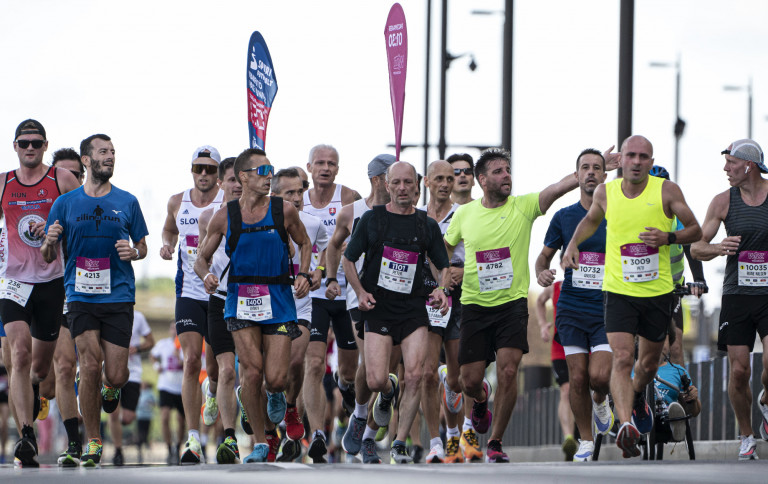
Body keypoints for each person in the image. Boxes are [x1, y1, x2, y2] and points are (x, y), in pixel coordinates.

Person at [562, 135, 702, 459]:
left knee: (649, 363)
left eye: (644, 157)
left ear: (650, 162)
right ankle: (626, 426)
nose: (637, 162)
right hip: (618, 291)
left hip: (657, 293)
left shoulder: (666, 191)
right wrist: (572, 245)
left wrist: (668, 237)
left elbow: (696, 230)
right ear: (621, 160)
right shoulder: (606, 192)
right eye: (632, 156)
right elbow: (590, 221)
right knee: (622, 357)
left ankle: (638, 397)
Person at [444, 148, 586, 463]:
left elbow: (555, 189)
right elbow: (444, 247)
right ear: (482, 180)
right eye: (498, 171)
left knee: (509, 370)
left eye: (508, 170)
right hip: (474, 306)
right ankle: (481, 400)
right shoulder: (464, 214)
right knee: (469, 382)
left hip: (511, 305)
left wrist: (583, 175)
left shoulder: (522, 207)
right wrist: (440, 283)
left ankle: (495, 441)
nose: (506, 175)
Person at [196, 148, 312, 463]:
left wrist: (302, 273)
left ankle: (273, 397)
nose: (268, 176)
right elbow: (201, 259)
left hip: (278, 298)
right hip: (240, 299)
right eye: (262, 171)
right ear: (244, 176)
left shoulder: (284, 211)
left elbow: (304, 243)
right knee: (251, 371)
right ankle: (259, 442)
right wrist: (207, 276)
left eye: (270, 170)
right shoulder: (225, 216)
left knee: (275, 378)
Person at [42, 133, 149, 466]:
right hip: (79, 295)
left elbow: (143, 247)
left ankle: (111, 388)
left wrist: (134, 252)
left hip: (118, 296)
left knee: (116, 374)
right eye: (103, 152)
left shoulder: (128, 201)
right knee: (88, 364)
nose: (110, 156)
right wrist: (49, 241)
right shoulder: (66, 203)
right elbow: (48, 256)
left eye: (113, 152)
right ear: (86, 160)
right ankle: (92, 440)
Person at [343, 161, 450, 464]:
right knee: (376, 380)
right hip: (379, 307)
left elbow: (443, 265)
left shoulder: (425, 224)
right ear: (386, 186)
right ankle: (387, 393)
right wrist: (361, 292)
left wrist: (441, 289)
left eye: (408, 183)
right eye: (397, 183)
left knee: (415, 375)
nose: (403, 188)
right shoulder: (372, 220)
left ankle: (399, 442)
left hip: (414, 308)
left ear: (418, 187)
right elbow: (348, 260)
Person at [1, 119, 80, 466]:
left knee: (41, 369)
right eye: (23, 143)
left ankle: (35, 390)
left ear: (45, 145)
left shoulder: (61, 179)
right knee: (17, 355)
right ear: (15, 146)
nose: (29, 148)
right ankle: (26, 437)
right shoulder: (3, 183)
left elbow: (83, 220)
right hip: (14, 281)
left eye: (35, 143)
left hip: (52, 281)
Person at [536, 148, 617, 462]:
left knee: (599, 377)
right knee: (576, 379)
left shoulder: (616, 214)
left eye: (597, 167)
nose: (592, 172)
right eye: (585, 167)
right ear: (578, 174)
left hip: (607, 308)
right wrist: (541, 272)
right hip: (571, 309)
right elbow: (543, 256)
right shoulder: (563, 216)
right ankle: (585, 440)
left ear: (605, 175)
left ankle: (601, 401)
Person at [690, 139, 768, 460]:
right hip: (737, 296)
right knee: (738, 372)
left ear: (748, 165)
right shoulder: (723, 202)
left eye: (730, 163)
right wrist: (719, 248)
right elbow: (696, 247)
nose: (726, 169)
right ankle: (746, 435)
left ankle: (764, 401)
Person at [326, 154, 393, 464]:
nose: (400, 185)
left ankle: (375, 415)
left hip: (401, 301)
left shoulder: (411, 212)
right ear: (378, 180)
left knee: (390, 374)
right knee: (371, 364)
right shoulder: (352, 212)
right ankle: (363, 423)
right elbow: (334, 246)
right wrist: (330, 279)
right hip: (361, 297)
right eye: (394, 178)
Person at [160, 145, 224, 464]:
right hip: (188, 291)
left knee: (213, 368)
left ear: (218, 173)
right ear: (191, 170)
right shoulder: (177, 201)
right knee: (191, 362)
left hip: (220, 292)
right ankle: (193, 439)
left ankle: (211, 392)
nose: (203, 174)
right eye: (198, 168)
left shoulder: (228, 202)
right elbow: (170, 228)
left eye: (210, 169)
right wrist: (166, 245)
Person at [302, 144, 361, 462]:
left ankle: (346, 385)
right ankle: (317, 433)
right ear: (309, 167)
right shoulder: (298, 201)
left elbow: (355, 240)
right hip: (313, 295)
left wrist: (332, 270)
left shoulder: (349, 197)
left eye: (331, 163)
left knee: (349, 370)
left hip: (345, 292)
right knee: (312, 364)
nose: (325, 168)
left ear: (337, 169)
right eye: (320, 163)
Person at [270, 167, 329, 462]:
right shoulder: (261, 221)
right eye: (289, 193)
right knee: (270, 375)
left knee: (296, 360)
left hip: (301, 302)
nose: (296, 198)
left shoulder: (313, 223)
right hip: (267, 304)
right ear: (275, 196)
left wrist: (317, 272)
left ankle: (291, 407)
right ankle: (268, 432)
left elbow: (328, 250)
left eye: (299, 191)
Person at [192, 157, 243, 463]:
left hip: (254, 300)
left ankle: (230, 437)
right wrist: (206, 275)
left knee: (243, 371)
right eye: (231, 180)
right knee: (217, 371)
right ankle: (211, 394)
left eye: (241, 179)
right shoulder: (211, 216)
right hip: (220, 297)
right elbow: (203, 256)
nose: (237, 185)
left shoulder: (265, 214)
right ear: (221, 183)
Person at [416, 160, 464, 463]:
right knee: (426, 374)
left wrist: (461, 271)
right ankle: (436, 440)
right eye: (440, 179)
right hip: (424, 301)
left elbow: (475, 253)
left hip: (457, 299)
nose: (446, 184)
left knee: (457, 379)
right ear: (427, 182)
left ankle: (455, 433)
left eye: (451, 178)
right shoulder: (415, 217)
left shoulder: (464, 215)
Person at [47, 146, 88, 466]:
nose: (66, 179)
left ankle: (82, 438)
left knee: (95, 367)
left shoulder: (94, 204)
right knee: (56, 374)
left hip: (93, 293)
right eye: (61, 173)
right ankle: (74, 441)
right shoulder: (43, 204)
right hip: (54, 292)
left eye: (74, 174)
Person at [648, 165, 707, 365]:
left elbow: (691, 249)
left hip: (672, 290)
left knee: (674, 348)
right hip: (640, 289)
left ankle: (680, 394)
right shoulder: (638, 215)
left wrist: (699, 279)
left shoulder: (676, 218)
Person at [534, 282, 577, 461]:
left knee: (582, 389)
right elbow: (539, 301)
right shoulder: (555, 287)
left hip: (585, 345)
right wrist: (543, 324)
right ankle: (569, 438)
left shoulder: (591, 277)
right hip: (559, 348)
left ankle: (584, 436)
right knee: (566, 390)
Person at [107, 310, 154, 465]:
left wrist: (137, 348)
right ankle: (118, 450)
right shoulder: (108, 313)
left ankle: (118, 432)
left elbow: (150, 341)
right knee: (113, 414)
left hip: (133, 373)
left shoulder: (138, 316)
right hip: (111, 370)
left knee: (127, 418)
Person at [151, 321, 186, 464]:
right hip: (165, 385)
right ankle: (168, 447)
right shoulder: (163, 344)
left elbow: (191, 363)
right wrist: (156, 365)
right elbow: (153, 355)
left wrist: (179, 356)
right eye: (173, 328)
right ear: (170, 330)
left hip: (181, 386)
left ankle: (178, 446)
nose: (174, 331)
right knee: (164, 417)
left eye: (177, 329)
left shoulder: (186, 344)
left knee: (181, 420)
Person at [135, 380, 156, 464]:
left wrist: (149, 403)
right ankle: (139, 448)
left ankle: (145, 443)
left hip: (148, 416)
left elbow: (154, 403)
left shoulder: (150, 393)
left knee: (146, 432)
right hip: (139, 415)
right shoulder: (138, 392)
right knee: (140, 432)